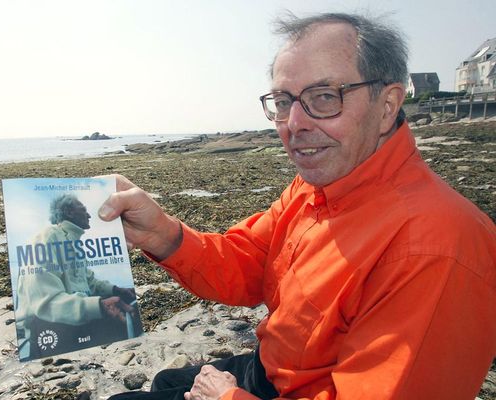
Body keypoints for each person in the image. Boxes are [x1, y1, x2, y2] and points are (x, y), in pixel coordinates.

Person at [100, 12, 496, 400]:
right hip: (271, 369)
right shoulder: (318, 186)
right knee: (167, 381)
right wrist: (164, 235)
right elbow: (247, 265)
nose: (295, 123)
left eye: (324, 97)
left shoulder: (435, 248)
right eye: (284, 101)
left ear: (388, 104)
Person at [16, 193, 138, 360]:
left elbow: (90, 282)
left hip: (74, 317)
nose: (89, 215)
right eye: (84, 210)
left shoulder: (75, 243)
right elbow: (46, 303)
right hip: (48, 326)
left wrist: (116, 289)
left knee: (131, 311)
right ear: (70, 212)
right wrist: (100, 306)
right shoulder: (46, 238)